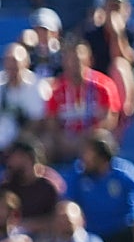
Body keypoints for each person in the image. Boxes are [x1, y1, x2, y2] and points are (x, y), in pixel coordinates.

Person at [44, 36, 121, 164]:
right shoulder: (56, 89)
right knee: (45, 144)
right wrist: (63, 139)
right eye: (69, 60)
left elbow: (108, 121)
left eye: (77, 60)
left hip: (92, 139)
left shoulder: (102, 86)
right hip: (65, 140)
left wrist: (84, 139)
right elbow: (51, 123)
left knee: (102, 138)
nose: (73, 64)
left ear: (88, 60)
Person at [0, 136, 65, 240]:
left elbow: (56, 219)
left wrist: (26, 225)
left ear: (27, 157)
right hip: (9, 239)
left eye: (13, 157)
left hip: (42, 240)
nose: (9, 163)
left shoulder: (48, 187)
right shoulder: (6, 187)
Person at [0, 43, 51, 152]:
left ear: (26, 63)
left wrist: (16, 143)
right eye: (8, 61)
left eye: (15, 62)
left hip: (26, 141)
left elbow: (37, 121)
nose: (11, 67)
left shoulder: (36, 86)